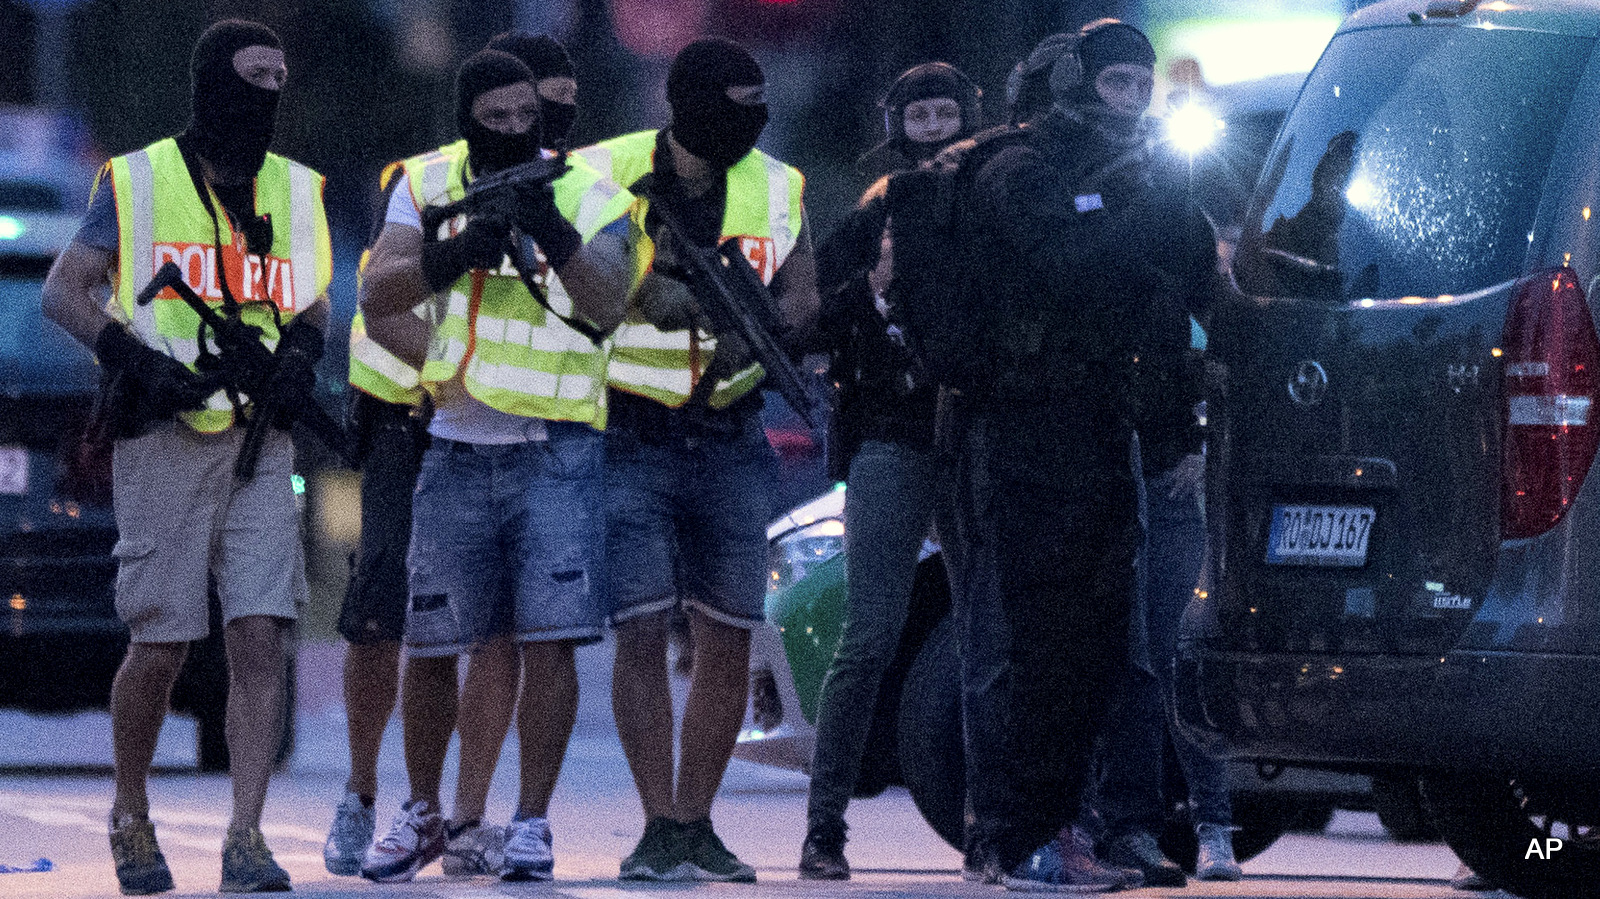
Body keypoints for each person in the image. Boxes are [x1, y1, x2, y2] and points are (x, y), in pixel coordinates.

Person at [40, 19, 329, 894]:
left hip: (261, 440)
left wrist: (300, 360)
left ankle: (246, 835)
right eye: (253, 76)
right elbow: (65, 290)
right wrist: (133, 358)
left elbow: (308, 307)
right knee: (161, 641)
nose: (268, 92)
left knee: (260, 634)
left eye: (280, 76)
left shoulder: (297, 188)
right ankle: (131, 813)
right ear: (212, 83)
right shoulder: (138, 180)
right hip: (164, 436)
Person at [948, 19, 1218, 892]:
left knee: (1103, 644)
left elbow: (1181, 290)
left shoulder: (1139, 183)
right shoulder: (1014, 168)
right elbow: (1073, 263)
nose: (1132, 100)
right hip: (1028, 432)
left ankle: (1079, 827)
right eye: (1115, 84)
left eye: (1141, 85)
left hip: (1105, 429)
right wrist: (1137, 206)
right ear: (1071, 82)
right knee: (1041, 644)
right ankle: (1024, 833)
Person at [355, 48, 635, 883]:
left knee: (551, 641)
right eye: (498, 118)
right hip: (455, 443)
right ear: (467, 115)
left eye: (529, 117)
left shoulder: (591, 193)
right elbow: (377, 297)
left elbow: (609, 298)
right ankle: (422, 810)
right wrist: (456, 251)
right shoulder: (428, 182)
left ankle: (531, 822)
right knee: (433, 639)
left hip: (557, 447)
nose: (517, 130)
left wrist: (547, 225)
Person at [574, 37, 818, 883]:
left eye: (759, 110)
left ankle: (695, 819)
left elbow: (801, 292)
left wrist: (771, 325)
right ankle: (656, 826)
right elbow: (565, 276)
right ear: (685, 105)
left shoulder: (777, 184)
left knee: (728, 635)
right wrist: (643, 283)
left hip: (730, 431)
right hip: (628, 431)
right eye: (731, 109)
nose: (748, 128)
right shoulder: (602, 170)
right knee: (639, 629)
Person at [797, 61, 981, 881]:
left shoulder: (997, 203)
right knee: (868, 635)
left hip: (977, 437)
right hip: (895, 437)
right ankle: (823, 827)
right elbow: (804, 322)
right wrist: (872, 294)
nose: (935, 130)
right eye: (920, 116)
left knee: (991, 633)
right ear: (895, 124)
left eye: (948, 114)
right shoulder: (870, 214)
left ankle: (997, 824)